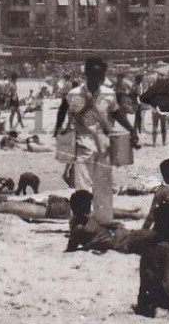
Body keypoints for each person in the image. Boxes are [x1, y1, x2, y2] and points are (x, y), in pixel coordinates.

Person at [54, 57, 136, 226]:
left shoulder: (108, 93)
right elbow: (63, 108)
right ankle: (81, 221)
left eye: (100, 75)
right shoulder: (74, 94)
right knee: (82, 184)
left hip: (103, 144)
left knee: (104, 183)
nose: (96, 78)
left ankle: (103, 221)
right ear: (87, 74)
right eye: (93, 74)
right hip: (82, 142)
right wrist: (58, 128)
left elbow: (116, 113)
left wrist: (131, 129)